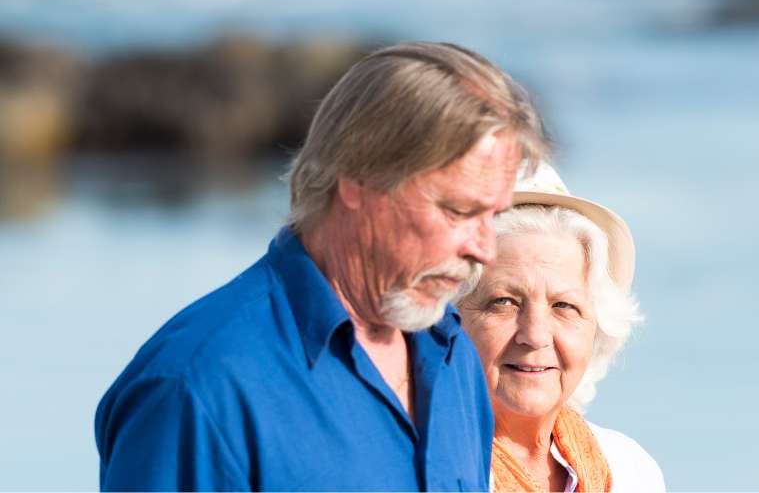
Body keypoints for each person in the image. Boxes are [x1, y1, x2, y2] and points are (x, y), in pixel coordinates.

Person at [94, 42, 548, 491]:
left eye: (493, 216)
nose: (484, 249)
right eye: (459, 211)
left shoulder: (453, 356)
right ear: (357, 178)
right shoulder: (198, 388)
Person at [458, 162, 665, 492]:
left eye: (563, 306)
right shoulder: (421, 466)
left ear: (597, 327)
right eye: (504, 302)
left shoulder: (630, 468)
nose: (536, 335)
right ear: (447, 322)